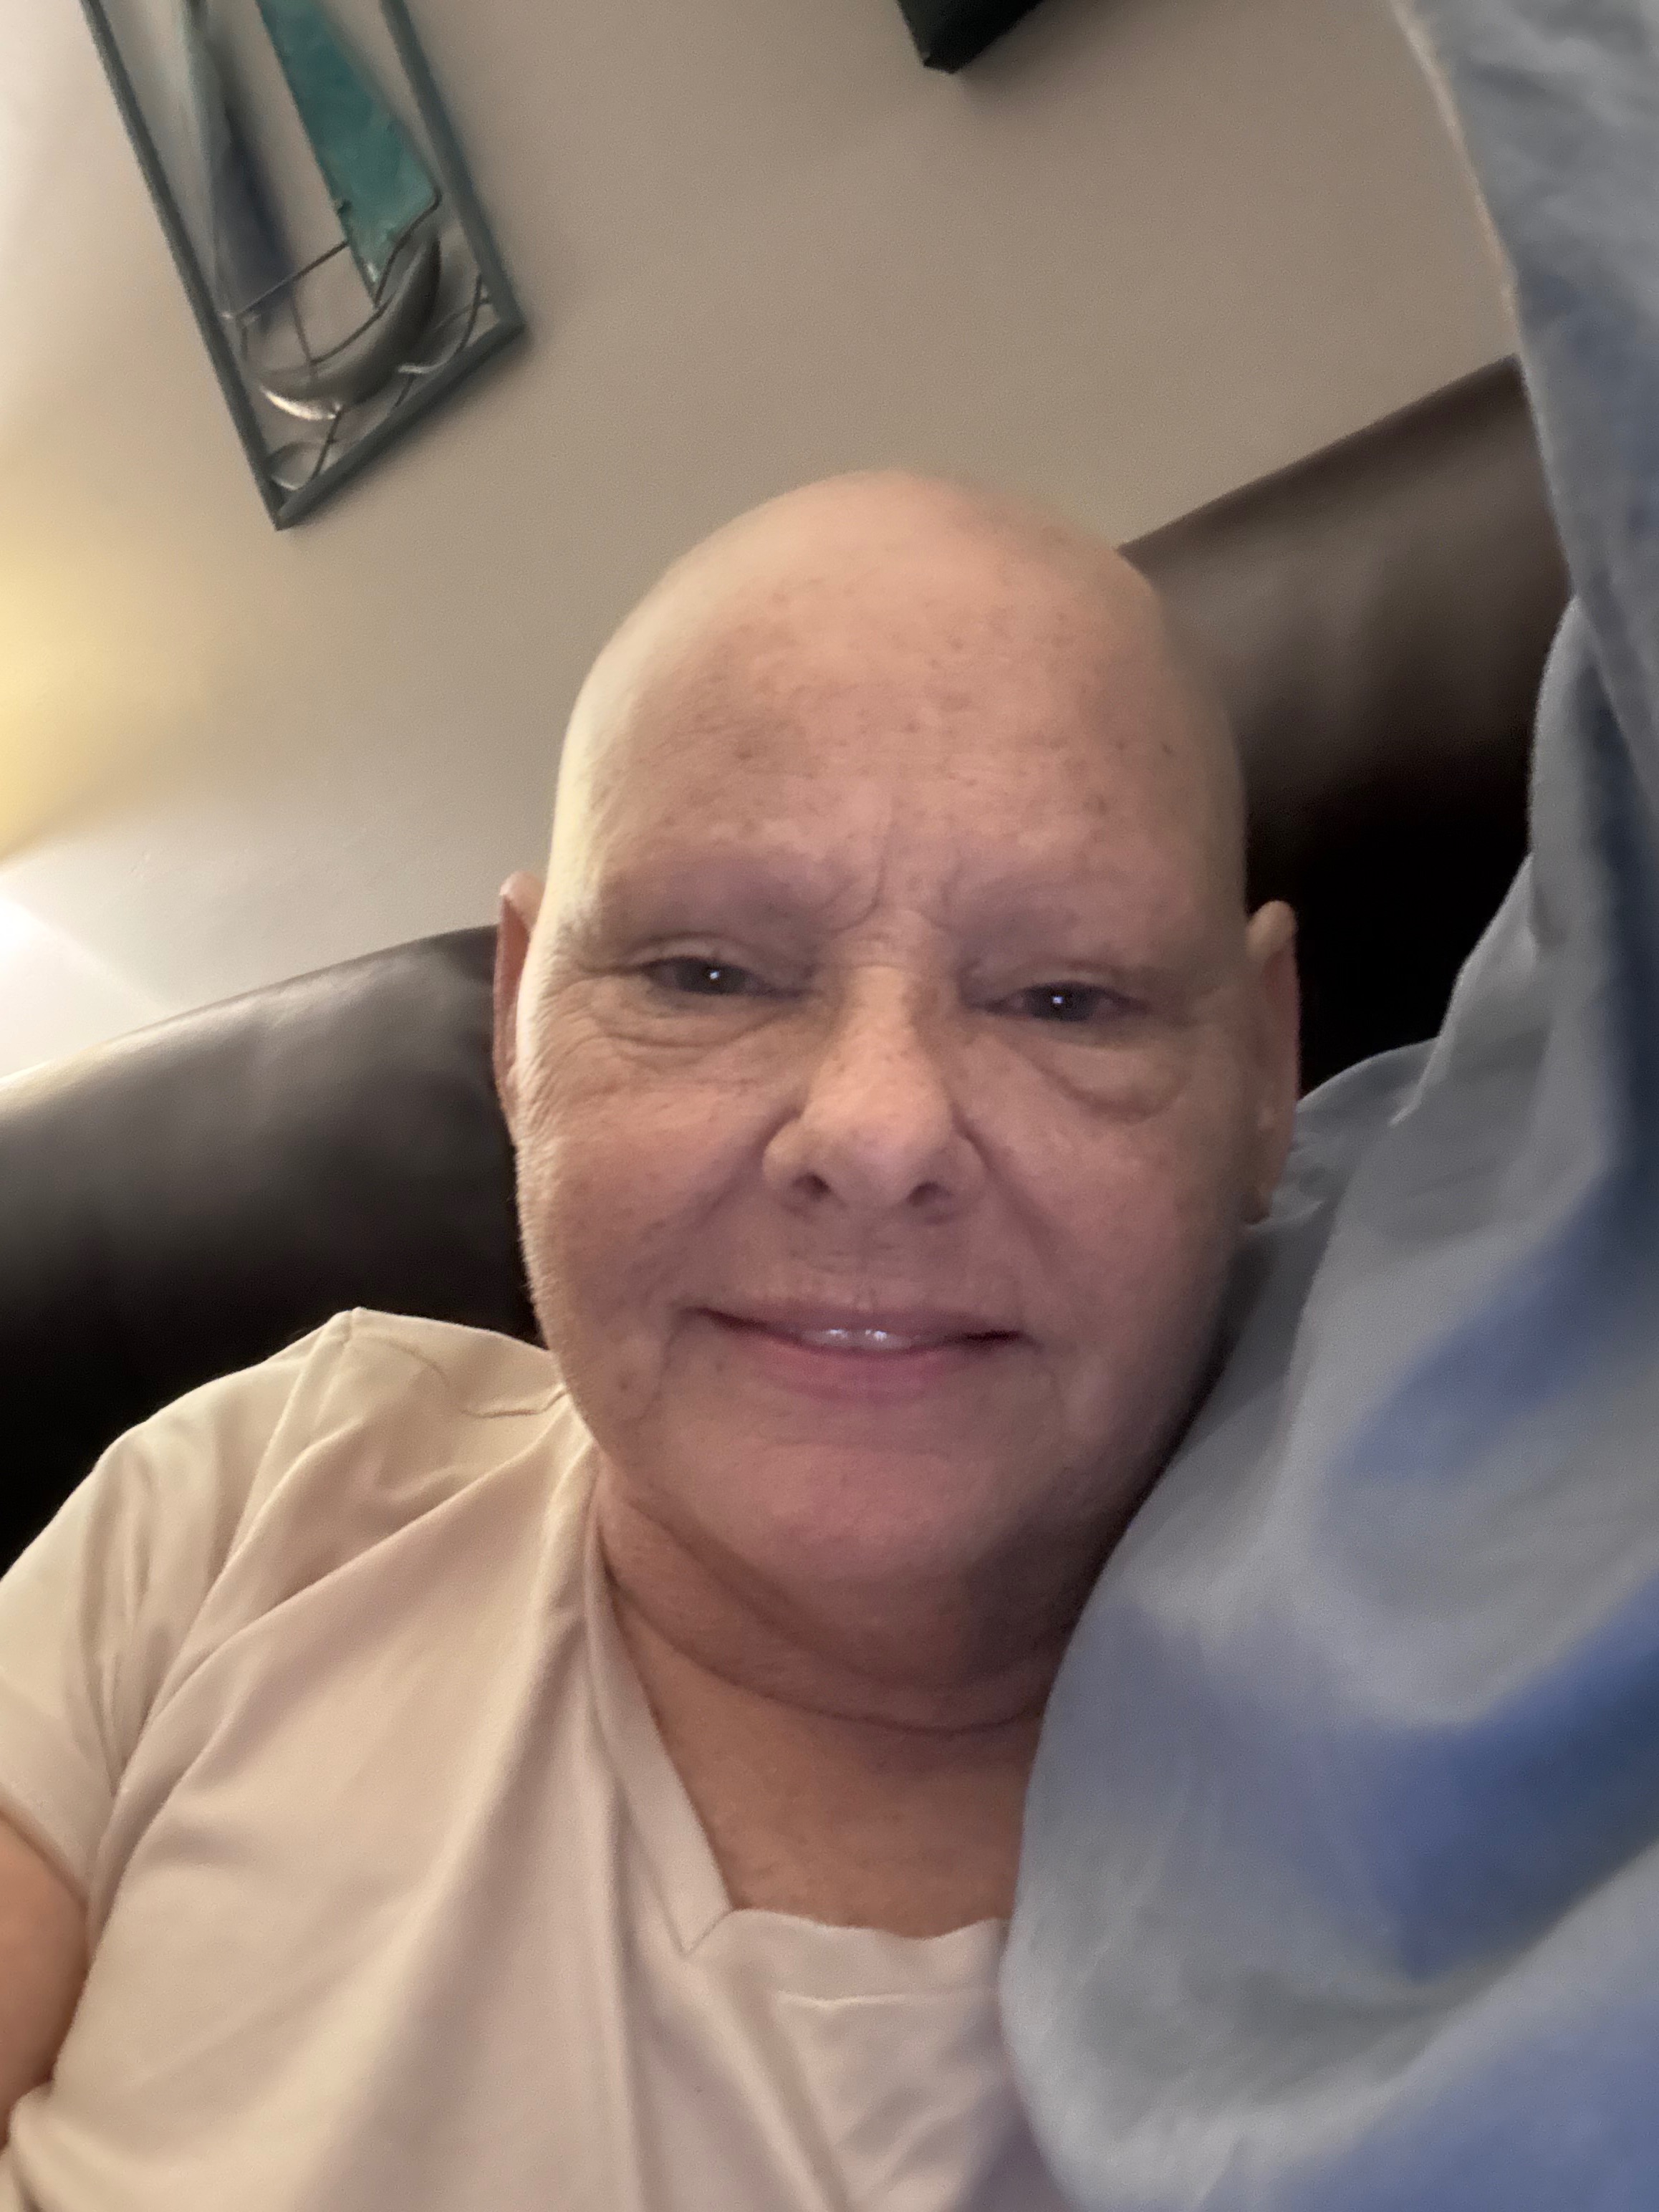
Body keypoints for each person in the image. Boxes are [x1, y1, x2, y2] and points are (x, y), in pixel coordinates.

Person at [0, 2, 1645, 2206]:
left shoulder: (1428, 1830)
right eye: (704, 973)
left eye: (1061, 997)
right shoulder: (260, 1490)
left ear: (1263, 1071)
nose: (873, 1130)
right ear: (519, 1021)